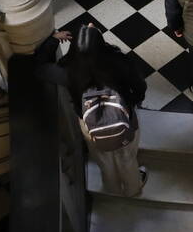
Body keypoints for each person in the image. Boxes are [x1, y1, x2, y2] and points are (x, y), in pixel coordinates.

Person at [60, 23, 147, 196]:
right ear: (100, 44)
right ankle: (132, 189)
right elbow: (140, 87)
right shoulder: (118, 61)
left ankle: (112, 189)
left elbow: (40, 69)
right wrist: (132, 103)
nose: (90, 24)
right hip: (125, 119)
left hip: (89, 124)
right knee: (127, 157)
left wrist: (52, 41)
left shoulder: (67, 69)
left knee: (103, 159)